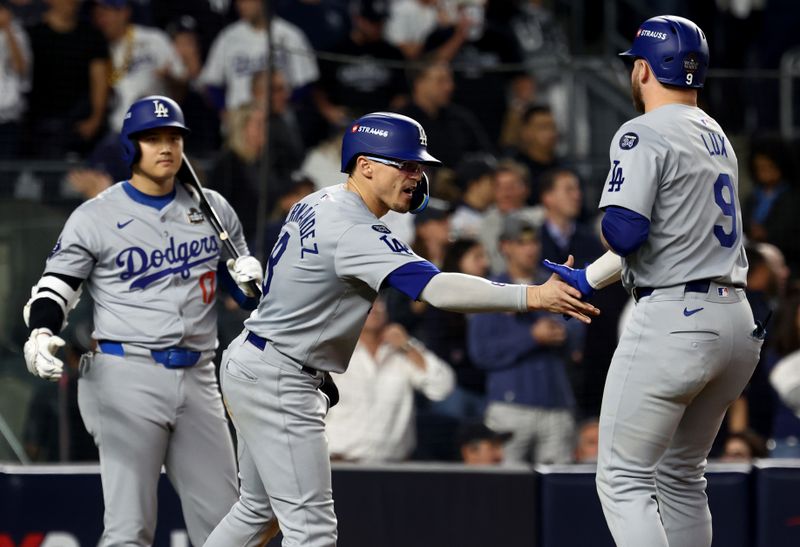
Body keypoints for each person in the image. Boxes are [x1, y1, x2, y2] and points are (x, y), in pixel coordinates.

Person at [204, 111, 598, 546]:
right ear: (365, 165)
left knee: (259, 512)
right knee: (312, 532)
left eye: (418, 167)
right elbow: (437, 288)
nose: (415, 176)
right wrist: (534, 297)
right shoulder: (355, 229)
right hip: (280, 374)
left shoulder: (319, 200)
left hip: (258, 359)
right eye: (404, 164)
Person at [542, 16, 763, 547]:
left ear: (643, 68)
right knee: (681, 476)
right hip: (735, 319)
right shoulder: (716, 134)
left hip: (674, 322)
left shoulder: (641, 129)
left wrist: (603, 231)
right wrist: (590, 279)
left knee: (622, 479)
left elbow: (626, 230)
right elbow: (669, 236)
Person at [21, 95, 263, 546]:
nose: (166, 147)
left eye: (173, 137)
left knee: (229, 528)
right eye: (152, 139)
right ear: (131, 147)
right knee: (130, 528)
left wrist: (250, 282)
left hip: (198, 376)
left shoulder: (214, 210)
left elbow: (242, 296)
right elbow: (57, 286)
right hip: (124, 373)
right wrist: (41, 329)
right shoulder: (96, 215)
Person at [469, 217, 583, 465]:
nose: (530, 249)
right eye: (522, 243)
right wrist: (531, 337)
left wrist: (564, 333)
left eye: (533, 242)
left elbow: (578, 327)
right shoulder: (490, 288)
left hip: (555, 400)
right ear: (505, 246)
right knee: (507, 490)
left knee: (558, 487)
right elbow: (481, 352)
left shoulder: (554, 282)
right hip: (510, 405)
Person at [325, 297, 455, 462]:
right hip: (340, 464)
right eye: (365, 302)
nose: (374, 308)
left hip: (393, 468)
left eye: (378, 302)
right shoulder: (332, 351)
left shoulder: (403, 349)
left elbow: (442, 387)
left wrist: (407, 345)